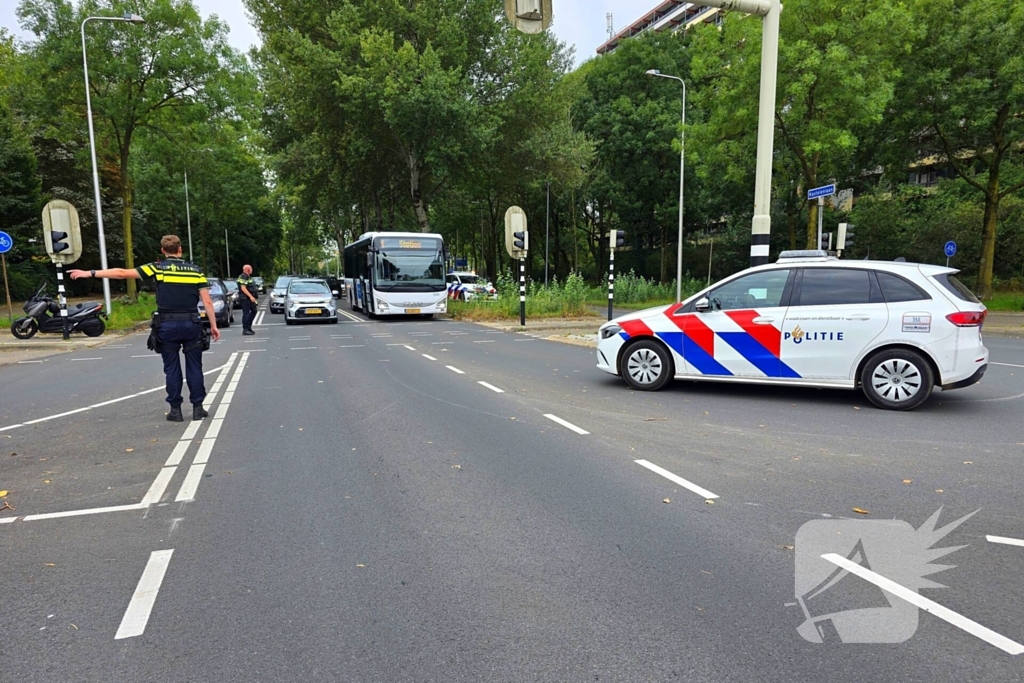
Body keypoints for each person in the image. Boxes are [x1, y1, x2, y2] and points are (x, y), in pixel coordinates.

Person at [69, 235, 221, 422]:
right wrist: (213, 325)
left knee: (172, 368)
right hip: (191, 323)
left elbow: (122, 273)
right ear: (180, 250)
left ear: (163, 251)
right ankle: (198, 408)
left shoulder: (157, 268)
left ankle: (175, 410)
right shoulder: (195, 271)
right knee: (195, 367)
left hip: (166, 324)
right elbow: (206, 301)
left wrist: (90, 273)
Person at [237, 264, 258, 335]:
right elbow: (243, 288)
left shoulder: (248, 277)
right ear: (248, 270)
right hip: (245, 298)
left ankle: (249, 327)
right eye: (251, 269)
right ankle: (245, 329)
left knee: (254, 311)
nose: (252, 270)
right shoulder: (243, 276)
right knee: (246, 313)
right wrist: (250, 296)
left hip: (249, 298)